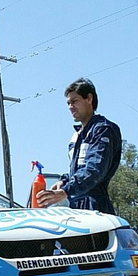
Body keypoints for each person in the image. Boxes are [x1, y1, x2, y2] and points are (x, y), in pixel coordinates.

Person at [38, 77, 121, 214]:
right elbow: (78, 169)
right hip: (75, 206)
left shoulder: (102, 129)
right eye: (68, 103)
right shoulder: (77, 135)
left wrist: (66, 190)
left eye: (75, 101)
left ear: (89, 98)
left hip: (95, 207)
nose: (70, 107)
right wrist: (64, 181)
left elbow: (94, 169)